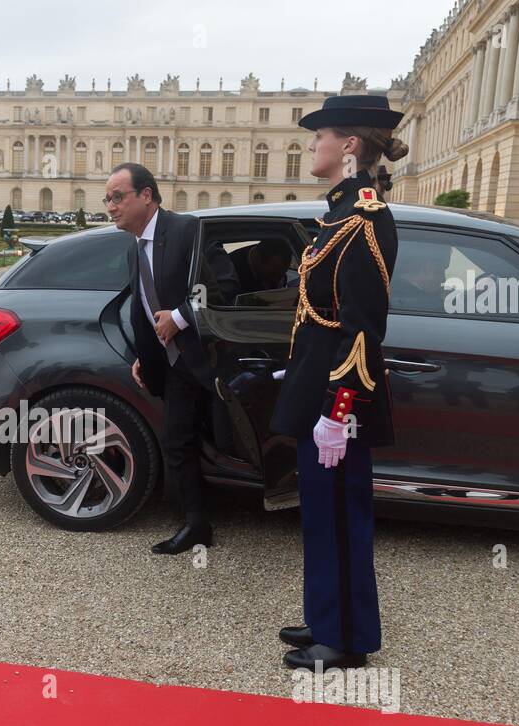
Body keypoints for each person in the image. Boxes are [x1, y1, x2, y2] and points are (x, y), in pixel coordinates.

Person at [268, 95, 407, 671]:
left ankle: (348, 641)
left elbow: (362, 329)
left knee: (344, 518)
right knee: (321, 515)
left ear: (349, 146)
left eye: (319, 135)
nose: (312, 145)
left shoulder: (365, 220)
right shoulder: (337, 216)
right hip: (316, 392)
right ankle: (326, 618)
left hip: (338, 404)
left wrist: (337, 409)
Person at [109, 161, 237, 554]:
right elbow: (144, 311)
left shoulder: (186, 230)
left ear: (146, 195)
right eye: (107, 199)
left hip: (207, 359)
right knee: (177, 441)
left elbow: (226, 287)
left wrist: (181, 317)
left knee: (214, 436)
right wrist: (142, 357)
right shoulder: (134, 248)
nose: (110, 206)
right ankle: (197, 524)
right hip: (172, 366)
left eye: (118, 197)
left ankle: (210, 513)